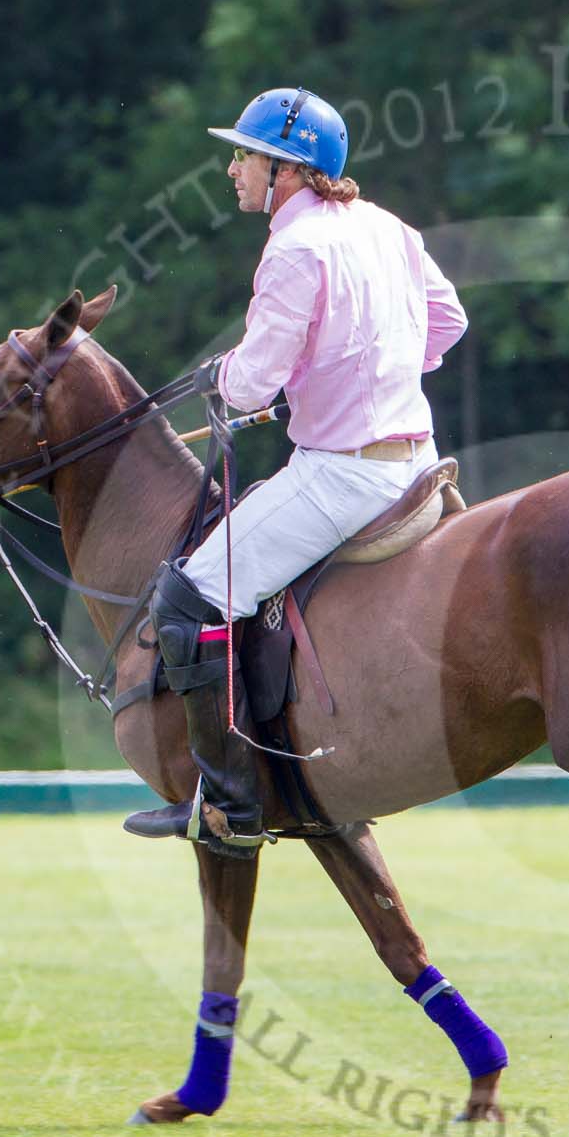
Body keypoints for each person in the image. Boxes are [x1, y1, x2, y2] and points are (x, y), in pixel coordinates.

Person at [135, 86, 468, 855]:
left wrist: (228, 377)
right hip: (416, 461)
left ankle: (228, 803)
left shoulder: (292, 248)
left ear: (286, 170)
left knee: (188, 594)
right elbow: (449, 320)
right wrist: (371, 374)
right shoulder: (389, 226)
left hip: (345, 477)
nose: (232, 169)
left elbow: (251, 383)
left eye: (244, 155)